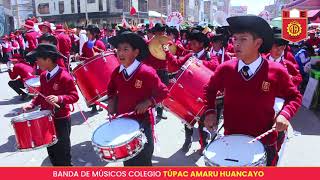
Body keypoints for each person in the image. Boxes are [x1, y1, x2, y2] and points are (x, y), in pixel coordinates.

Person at [203, 16, 302, 166]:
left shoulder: (276, 71)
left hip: (265, 142)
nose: (236, 43)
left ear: (258, 43)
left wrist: (285, 115)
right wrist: (210, 111)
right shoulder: (226, 69)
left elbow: (294, 96)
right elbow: (209, 89)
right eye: (235, 39)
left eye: (243, 39)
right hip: (231, 140)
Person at [107, 31, 168, 166]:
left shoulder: (146, 72)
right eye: (118, 49)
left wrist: (148, 102)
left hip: (142, 125)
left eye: (125, 49)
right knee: (128, 162)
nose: (120, 53)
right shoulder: (117, 72)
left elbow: (163, 91)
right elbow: (110, 89)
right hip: (123, 124)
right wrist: (111, 101)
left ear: (136, 52)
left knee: (143, 161)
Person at [23, 43, 79, 166]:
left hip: (61, 119)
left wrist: (59, 98)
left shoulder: (65, 76)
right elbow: (41, 93)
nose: (37, 63)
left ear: (48, 60)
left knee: (63, 151)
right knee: (51, 150)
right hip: (46, 119)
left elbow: (75, 96)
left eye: (38, 60)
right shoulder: (43, 76)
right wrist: (32, 104)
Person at [164, 29, 219, 152]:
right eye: (191, 43)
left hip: (203, 95)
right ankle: (187, 141)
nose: (191, 45)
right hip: (188, 92)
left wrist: (199, 63)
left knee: (202, 123)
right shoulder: (190, 55)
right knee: (187, 118)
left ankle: (203, 145)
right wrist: (167, 53)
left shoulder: (210, 56)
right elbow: (176, 64)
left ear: (201, 44)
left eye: (194, 43)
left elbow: (216, 67)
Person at [141, 23, 169, 121]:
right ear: (155, 33)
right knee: (151, 94)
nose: (162, 33)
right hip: (153, 73)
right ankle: (151, 113)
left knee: (162, 93)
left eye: (163, 31)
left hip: (164, 72)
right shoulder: (148, 44)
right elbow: (144, 60)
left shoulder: (167, 44)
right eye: (159, 31)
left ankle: (160, 112)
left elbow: (171, 56)